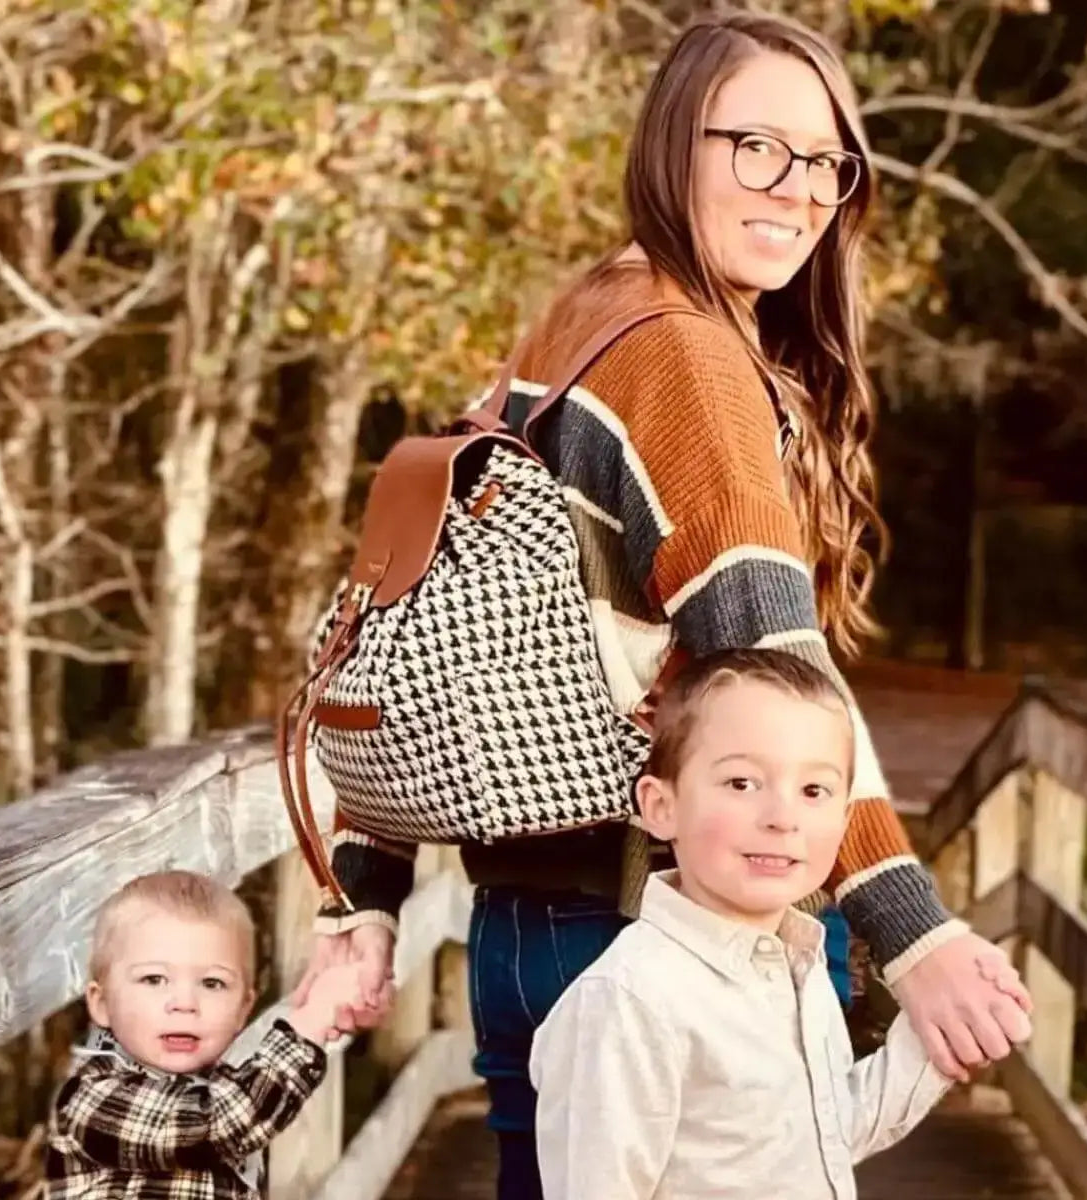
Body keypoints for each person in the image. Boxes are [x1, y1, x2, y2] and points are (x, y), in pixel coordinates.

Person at [296, 11, 1032, 1198]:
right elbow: (779, 672)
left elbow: (433, 630)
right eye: (756, 146)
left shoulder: (581, 317)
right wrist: (919, 936)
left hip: (528, 930)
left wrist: (368, 892)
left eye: (826, 163)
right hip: (658, 935)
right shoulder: (683, 358)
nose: (797, 191)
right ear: (671, 144)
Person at [529, 650, 955, 1199]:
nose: (782, 817)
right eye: (741, 783)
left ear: (845, 820)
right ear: (662, 807)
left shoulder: (798, 964)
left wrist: (940, 1037)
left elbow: (825, 1134)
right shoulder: (628, 1002)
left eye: (813, 791)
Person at [46, 870, 367, 1200]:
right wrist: (310, 1025)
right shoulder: (92, 1099)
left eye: (212, 983)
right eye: (154, 979)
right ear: (102, 1004)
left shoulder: (222, 1082)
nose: (185, 1003)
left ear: (244, 1008)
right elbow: (218, 1123)